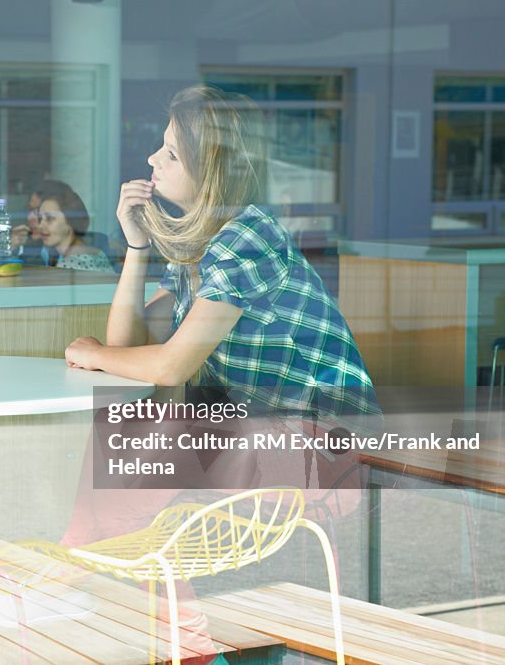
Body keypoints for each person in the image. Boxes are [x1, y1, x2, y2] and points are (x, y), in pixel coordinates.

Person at [60, 85, 379, 546]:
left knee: (150, 451)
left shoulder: (247, 238)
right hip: (263, 439)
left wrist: (92, 354)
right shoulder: (204, 244)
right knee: (122, 427)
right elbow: (126, 349)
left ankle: (81, 570)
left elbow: (171, 366)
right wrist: (136, 247)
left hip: (323, 456)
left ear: (209, 171)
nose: (152, 160)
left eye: (170, 154)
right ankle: (84, 565)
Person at [36, 182, 114, 273]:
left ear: (70, 222)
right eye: (40, 218)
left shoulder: (68, 266)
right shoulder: (97, 252)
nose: (40, 225)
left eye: (49, 219)